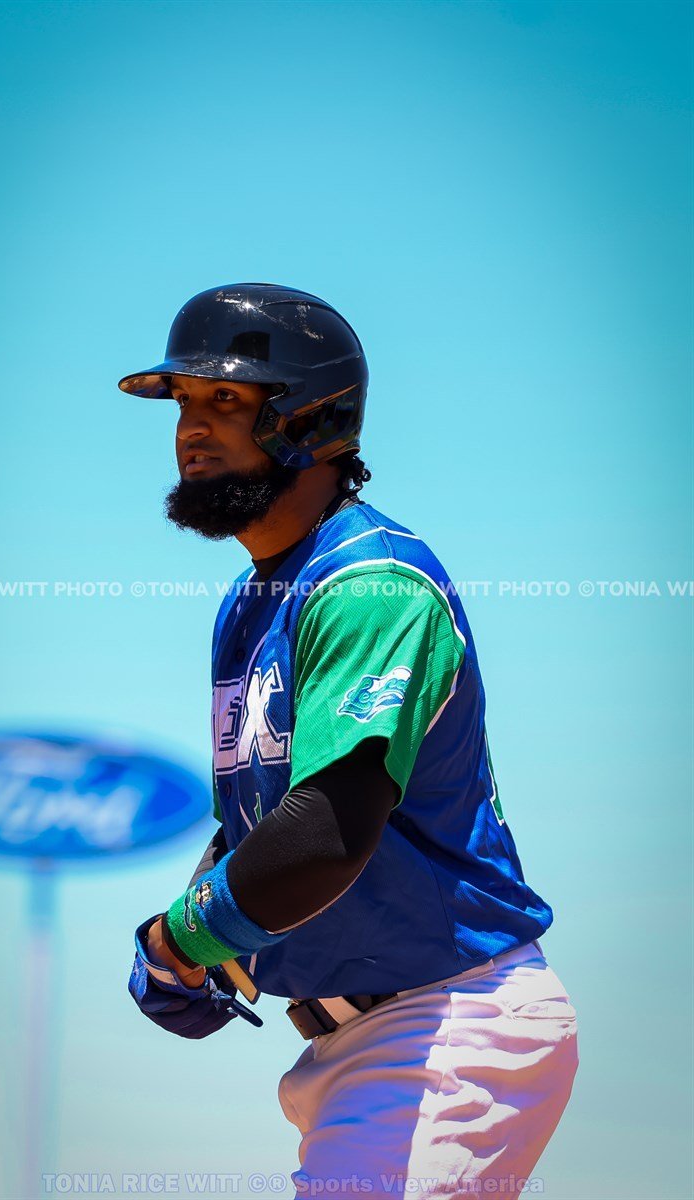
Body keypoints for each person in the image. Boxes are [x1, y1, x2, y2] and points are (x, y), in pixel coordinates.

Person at [120, 283, 579, 1198]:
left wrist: (181, 938)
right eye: (183, 403)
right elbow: (261, 832)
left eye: (225, 399)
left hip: (447, 1027)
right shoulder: (254, 600)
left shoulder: (371, 583)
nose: (190, 429)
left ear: (309, 416)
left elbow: (325, 832)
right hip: (359, 1044)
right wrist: (213, 947)